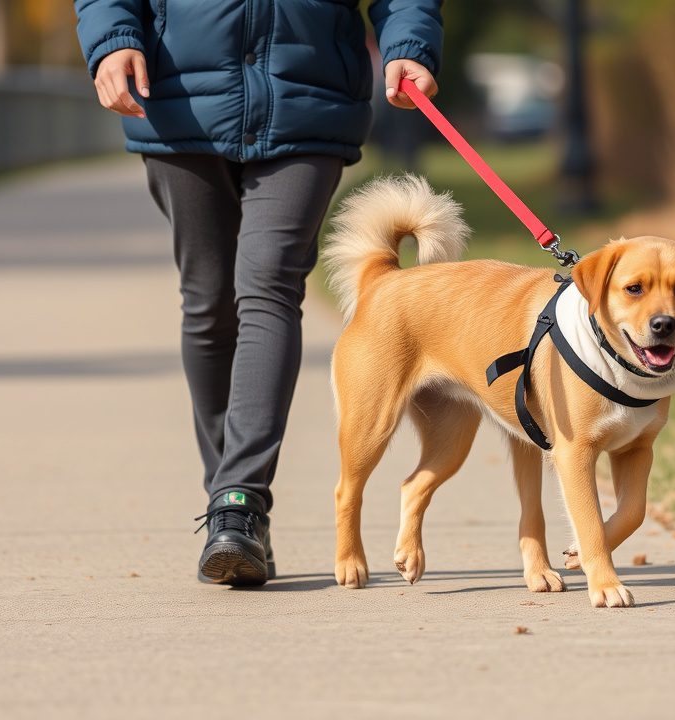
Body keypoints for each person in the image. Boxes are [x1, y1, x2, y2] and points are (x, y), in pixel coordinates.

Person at [74, 0, 443, 586]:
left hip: (307, 103)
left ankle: (239, 504)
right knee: (208, 301)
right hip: (178, 99)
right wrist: (113, 38)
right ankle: (230, 508)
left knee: (269, 284)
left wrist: (408, 44)